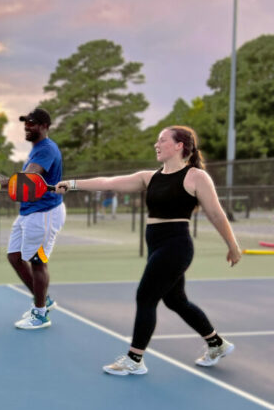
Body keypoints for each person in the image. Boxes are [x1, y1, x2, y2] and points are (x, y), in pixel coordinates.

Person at [56, 126, 241, 375]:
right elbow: (110, 183)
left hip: (176, 246)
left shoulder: (196, 177)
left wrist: (233, 246)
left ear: (179, 146)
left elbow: (216, 213)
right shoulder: (149, 177)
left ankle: (135, 360)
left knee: (146, 297)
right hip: (157, 245)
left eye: (162, 140)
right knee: (175, 300)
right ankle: (216, 344)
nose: (156, 144)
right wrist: (73, 184)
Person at [0, 108, 65, 329]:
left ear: (45, 126)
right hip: (29, 212)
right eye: (26, 123)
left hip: (44, 214)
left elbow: (28, 178)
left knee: (38, 262)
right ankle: (43, 301)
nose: (27, 126)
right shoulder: (37, 149)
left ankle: (40, 315)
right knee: (15, 257)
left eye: (32, 123)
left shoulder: (47, 149)